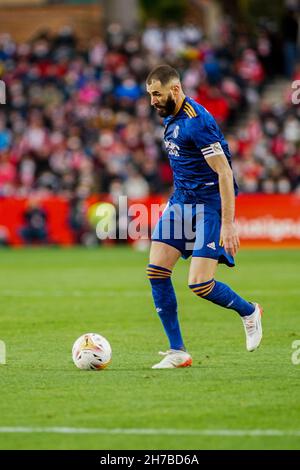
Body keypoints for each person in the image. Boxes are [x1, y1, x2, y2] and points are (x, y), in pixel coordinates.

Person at [146, 65, 263, 369]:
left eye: (156, 94)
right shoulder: (170, 117)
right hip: (181, 202)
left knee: (199, 284)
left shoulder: (197, 122)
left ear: (175, 89)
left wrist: (227, 222)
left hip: (208, 205)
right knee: (156, 271)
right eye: (150, 95)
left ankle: (249, 311)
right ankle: (178, 352)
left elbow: (224, 172)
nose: (152, 101)